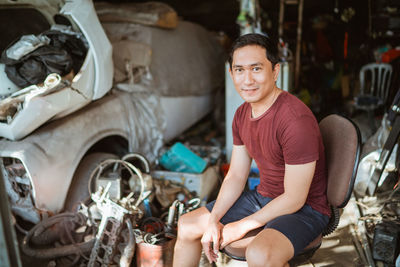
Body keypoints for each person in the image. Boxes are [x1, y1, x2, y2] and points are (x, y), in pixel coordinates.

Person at [173, 33, 330, 267]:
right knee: (187, 226)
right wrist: (214, 220)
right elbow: (236, 175)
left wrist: (242, 226)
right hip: (263, 197)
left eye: (256, 69)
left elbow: (295, 199)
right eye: (239, 70)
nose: (247, 80)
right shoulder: (241, 114)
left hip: (305, 209)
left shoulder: (295, 120)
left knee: (259, 254)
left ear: (275, 71)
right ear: (231, 74)